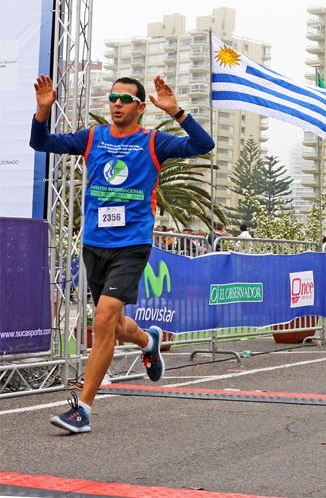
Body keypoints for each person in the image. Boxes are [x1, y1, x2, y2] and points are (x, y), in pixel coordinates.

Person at [31, 74, 214, 432]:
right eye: (113, 97)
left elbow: (202, 145)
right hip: (95, 244)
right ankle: (149, 340)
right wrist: (42, 111)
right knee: (112, 326)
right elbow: (40, 144)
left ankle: (82, 409)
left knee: (101, 322)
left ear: (140, 107)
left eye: (125, 99)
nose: (116, 103)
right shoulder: (92, 138)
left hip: (131, 246)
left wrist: (177, 112)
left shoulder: (154, 141)